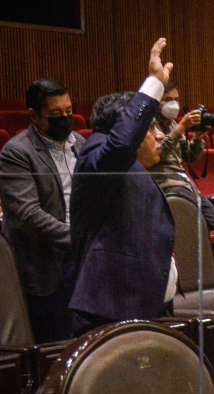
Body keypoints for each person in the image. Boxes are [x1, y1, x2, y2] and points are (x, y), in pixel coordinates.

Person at [68, 38, 177, 337]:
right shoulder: (99, 154)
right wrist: (154, 84)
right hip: (110, 312)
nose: (159, 136)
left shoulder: (130, 167)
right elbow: (121, 144)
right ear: (125, 128)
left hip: (140, 308)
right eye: (151, 128)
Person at [0, 78, 85, 342]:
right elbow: (28, 215)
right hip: (44, 268)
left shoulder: (80, 144)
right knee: (54, 347)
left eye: (69, 112)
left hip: (83, 263)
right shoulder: (17, 153)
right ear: (33, 116)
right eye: (56, 114)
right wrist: (77, 239)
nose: (65, 119)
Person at [148, 81, 214, 230]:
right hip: (165, 183)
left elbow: (191, 157)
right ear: (156, 100)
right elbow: (159, 152)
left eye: (176, 99)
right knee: (193, 225)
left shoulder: (173, 124)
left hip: (185, 183)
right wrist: (181, 127)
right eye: (167, 100)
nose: (173, 104)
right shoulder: (150, 124)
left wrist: (198, 137)